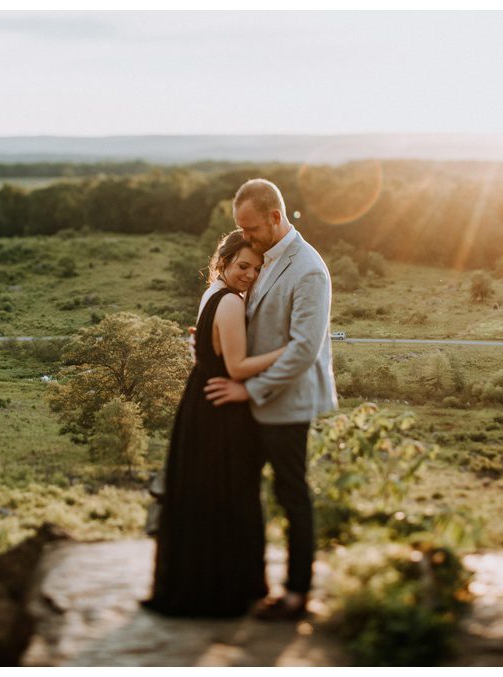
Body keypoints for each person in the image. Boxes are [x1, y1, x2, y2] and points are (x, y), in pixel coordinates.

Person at [203, 179, 339, 621]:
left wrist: (249, 388)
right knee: (244, 491)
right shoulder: (264, 258)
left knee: (291, 495)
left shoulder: (309, 270)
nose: (245, 236)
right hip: (253, 401)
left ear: (275, 218)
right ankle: (250, 581)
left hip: (286, 402)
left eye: (250, 227)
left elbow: (303, 350)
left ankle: (297, 594)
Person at [143, 230, 287, 617]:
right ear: (222, 263)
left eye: (258, 268)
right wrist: (288, 350)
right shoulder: (231, 304)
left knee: (201, 493)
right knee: (229, 493)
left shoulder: (212, 294)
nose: (251, 275)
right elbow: (238, 367)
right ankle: (225, 588)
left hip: (200, 398)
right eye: (243, 266)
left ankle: (197, 583)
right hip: (221, 405)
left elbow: (206, 346)